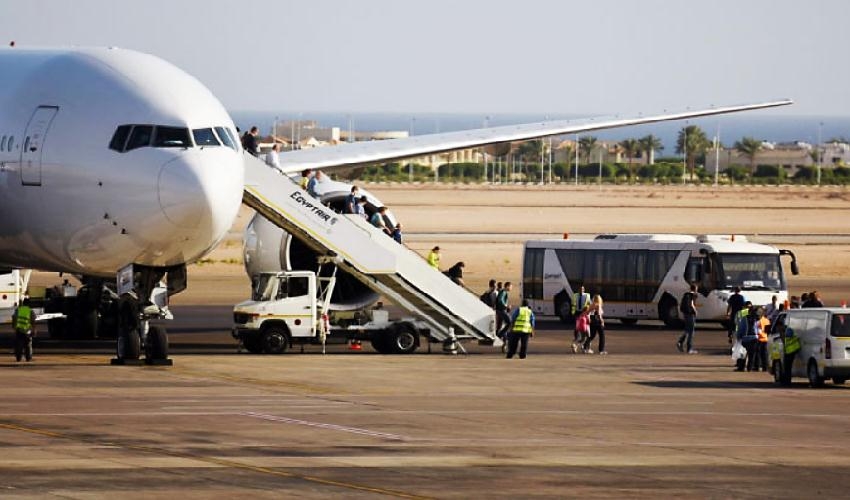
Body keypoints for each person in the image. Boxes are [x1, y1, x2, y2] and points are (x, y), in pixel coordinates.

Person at [677, 284, 698, 354]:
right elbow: (691, 304)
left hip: (685, 314)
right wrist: (695, 311)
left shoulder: (686, 294)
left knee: (687, 329)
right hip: (690, 314)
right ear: (695, 289)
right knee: (691, 331)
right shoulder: (693, 295)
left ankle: (680, 342)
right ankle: (689, 348)